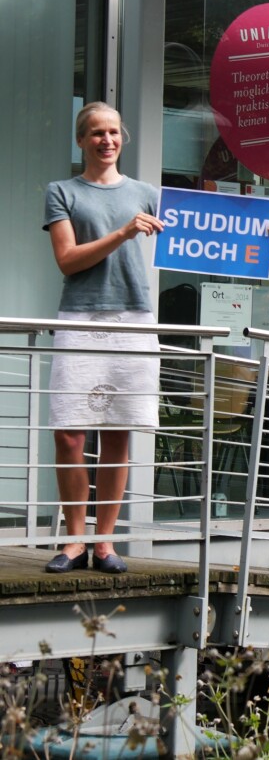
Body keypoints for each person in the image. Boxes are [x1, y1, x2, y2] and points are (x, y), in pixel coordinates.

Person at [41, 102, 161, 574]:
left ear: (122, 138)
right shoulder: (62, 192)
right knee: (69, 432)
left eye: (113, 132)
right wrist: (124, 232)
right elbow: (68, 260)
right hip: (80, 317)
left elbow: (209, 231)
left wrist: (262, 235)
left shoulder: (146, 192)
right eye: (96, 133)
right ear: (81, 140)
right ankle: (74, 543)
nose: (107, 140)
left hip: (134, 319)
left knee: (117, 433)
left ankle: (105, 543)